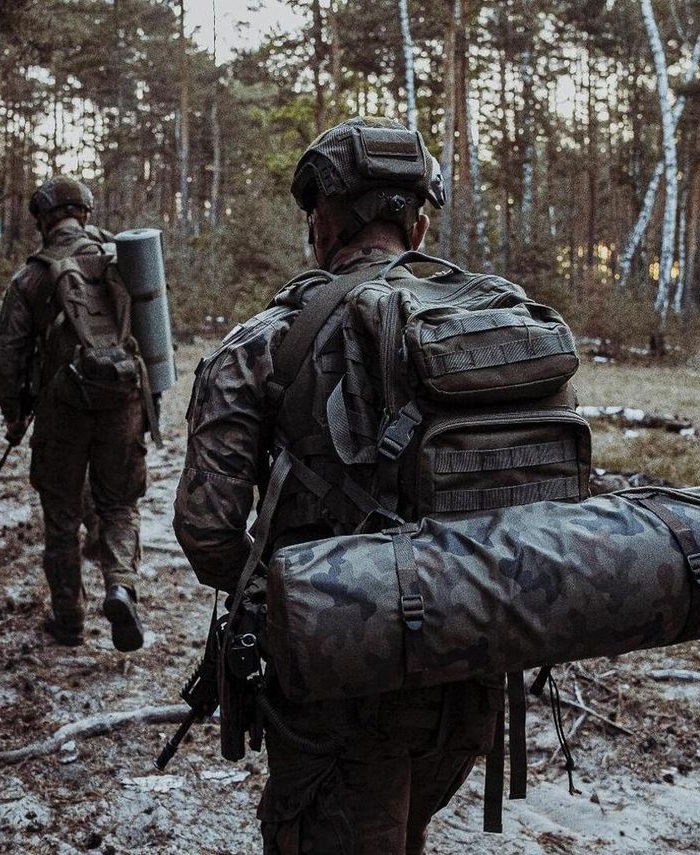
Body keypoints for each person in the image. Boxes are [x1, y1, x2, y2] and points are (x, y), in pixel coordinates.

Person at [173, 118, 501, 854]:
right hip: (475, 664)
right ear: (417, 223)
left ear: (321, 221)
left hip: (340, 681)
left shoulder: (263, 341)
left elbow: (207, 530)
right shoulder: (491, 324)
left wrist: (290, 597)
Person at [0, 175, 147, 652]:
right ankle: (121, 587)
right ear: (85, 212)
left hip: (61, 409)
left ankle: (69, 621)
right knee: (120, 505)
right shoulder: (122, 261)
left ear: (42, 218)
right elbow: (152, 331)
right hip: (122, 400)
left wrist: (15, 414)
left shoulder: (32, 276)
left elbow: (7, 351)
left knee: (61, 517)